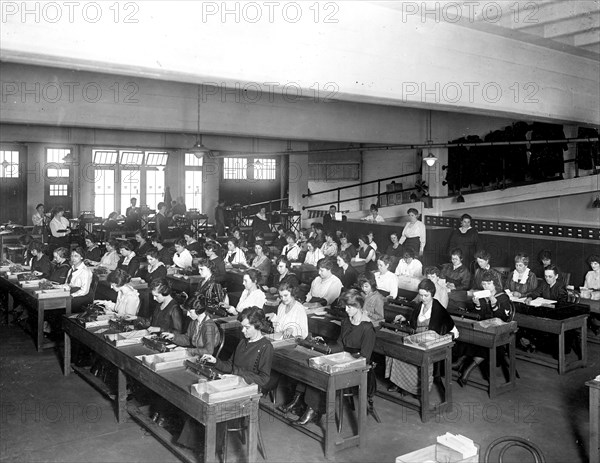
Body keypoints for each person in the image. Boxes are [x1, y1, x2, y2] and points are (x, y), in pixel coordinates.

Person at [286, 290, 376, 425]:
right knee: (312, 368)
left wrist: (342, 361)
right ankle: (300, 402)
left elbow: (365, 358)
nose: (346, 310)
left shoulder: (367, 328)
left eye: (350, 307)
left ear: (359, 307)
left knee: (322, 376)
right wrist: (324, 347)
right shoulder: (346, 321)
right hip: (341, 358)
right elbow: (340, 344)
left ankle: (312, 410)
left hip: (357, 367)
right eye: (345, 306)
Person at [170, 296, 225, 451]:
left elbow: (208, 351)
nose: (187, 314)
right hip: (194, 359)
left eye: (190, 311)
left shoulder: (209, 325)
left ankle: (191, 438)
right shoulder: (195, 322)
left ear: (198, 310)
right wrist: (173, 337)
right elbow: (187, 338)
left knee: (181, 384)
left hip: (206, 364)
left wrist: (188, 350)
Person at [386, 279, 458, 395]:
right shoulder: (419, 306)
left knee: (411, 356)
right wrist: (405, 319)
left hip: (430, 343)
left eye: (426, 295)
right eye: (421, 295)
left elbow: (453, 330)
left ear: (432, 294)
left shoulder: (438, 309)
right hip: (416, 339)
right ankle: (402, 385)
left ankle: (414, 389)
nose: (423, 298)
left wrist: (442, 338)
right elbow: (414, 323)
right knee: (396, 351)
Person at [454, 271, 512, 387]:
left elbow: (503, 318)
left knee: (486, 343)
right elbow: (479, 315)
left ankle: (466, 370)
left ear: (495, 284)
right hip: (484, 328)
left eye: (489, 284)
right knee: (470, 337)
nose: (486, 286)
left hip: (499, 332)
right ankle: (461, 363)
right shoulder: (483, 295)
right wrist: (477, 305)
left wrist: (494, 304)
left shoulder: (503, 297)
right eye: (484, 284)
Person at [201, 306, 273, 387]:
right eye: (242, 327)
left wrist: (238, 378)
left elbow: (263, 379)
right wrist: (215, 361)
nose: (243, 330)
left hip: (249, 387)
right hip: (234, 382)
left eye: (247, 327)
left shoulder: (265, 346)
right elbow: (230, 366)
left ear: (258, 326)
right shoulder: (242, 341)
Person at [66, 247, 94, 313]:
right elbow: (68, 285)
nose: (73, 258)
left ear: (81, 257)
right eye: (72, 256)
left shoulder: (85, 271)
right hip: (72, 291)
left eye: (76, 256)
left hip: (82, 296)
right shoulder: (71, 269)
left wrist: (72, 295)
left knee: (64, 304)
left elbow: (84, 290)